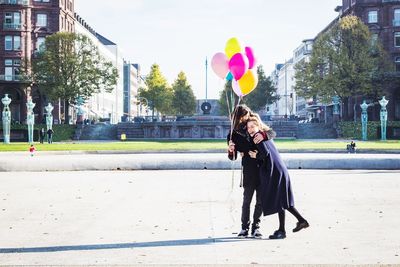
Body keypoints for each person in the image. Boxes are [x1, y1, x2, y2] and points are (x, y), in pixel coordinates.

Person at [246, 115, 309, 239]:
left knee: (281, 201)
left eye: (252, 126)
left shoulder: (258, 137)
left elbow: (265, 153)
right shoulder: (264, 134)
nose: (250, 129)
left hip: (274, 171)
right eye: (248, 127)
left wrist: (255, 156)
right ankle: (290, 226)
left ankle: (290, 226)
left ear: (258, 126)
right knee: (282, 200)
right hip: (279, 170)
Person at [227, 105, 272, 238]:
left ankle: (256, 227)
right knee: (247, 200)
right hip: (248, 169)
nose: (247, 118)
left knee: (260, 201)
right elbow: (232, 157)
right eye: (244, 116)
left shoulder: (254, 125)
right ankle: (244, 227)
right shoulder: (233, 134)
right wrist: (231, 150)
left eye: (247, 114)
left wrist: (263, 134)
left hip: (262, 167)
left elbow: (271, 133)